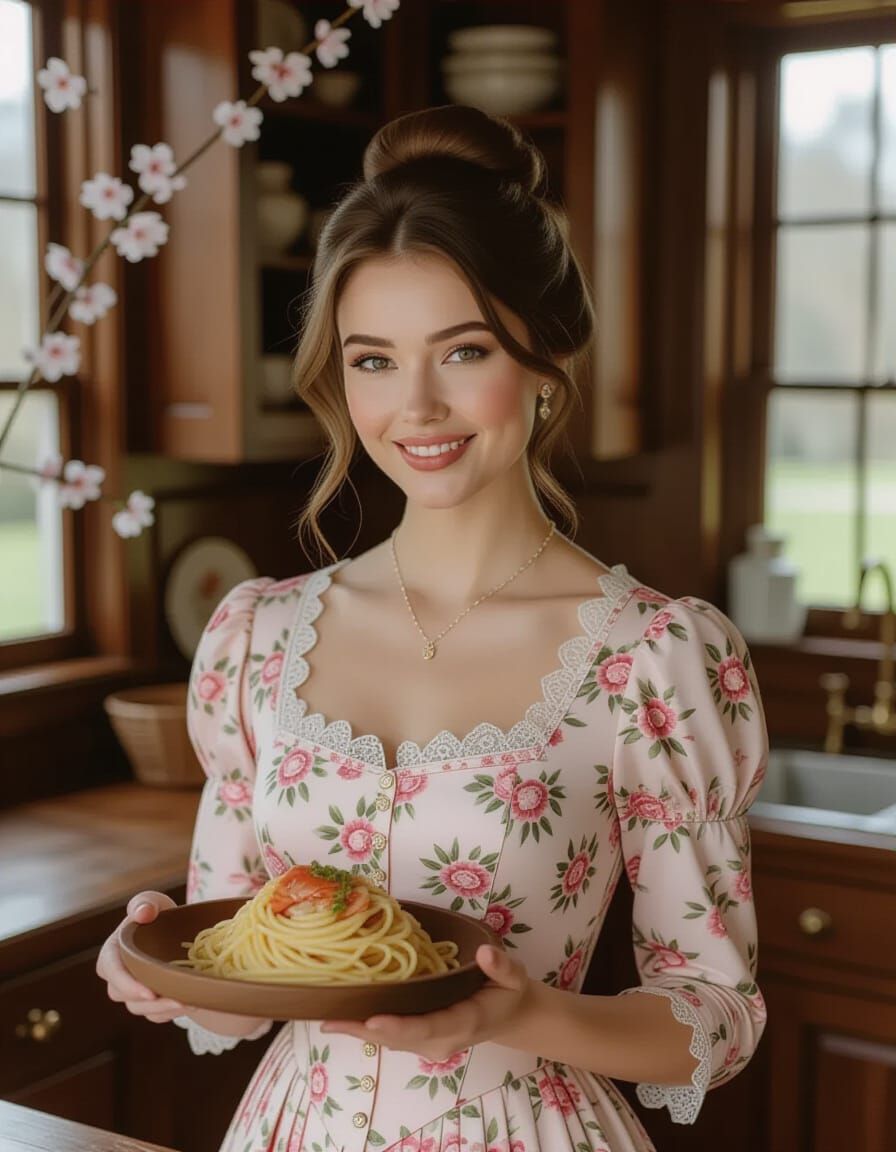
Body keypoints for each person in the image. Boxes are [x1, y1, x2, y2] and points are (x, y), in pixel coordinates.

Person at [97, 104, 768, 1152]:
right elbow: (235, 989)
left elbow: (714, 1018)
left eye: (462, 351)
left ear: (543, 359)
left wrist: (520, 1014)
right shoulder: (255, 640)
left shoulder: (654, 657)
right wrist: (156, 975)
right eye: (372, 359)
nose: (414, 405)